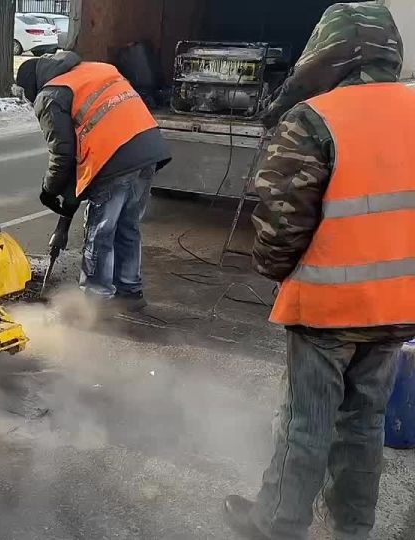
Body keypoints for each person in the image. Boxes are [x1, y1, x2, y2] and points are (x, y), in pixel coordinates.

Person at [222, 4, 413, 539]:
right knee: (366, 422)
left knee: (306, 424)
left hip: (329, 308)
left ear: (327, 50)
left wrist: (273, 268)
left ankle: (277, 524)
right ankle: (352, 528)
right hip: (400, 306)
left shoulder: (315, 117)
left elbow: (282, 221)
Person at [14, 51, 170, 312]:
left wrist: (49, 190)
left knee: (101, 231)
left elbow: (63, 156)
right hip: (147, 149)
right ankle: (129, 290)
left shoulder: (50, 96)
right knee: (127, 225)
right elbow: (76, 157)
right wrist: (64, 215)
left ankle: (96, 303)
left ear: (33, 85)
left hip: (114, 158)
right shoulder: (93, 69)